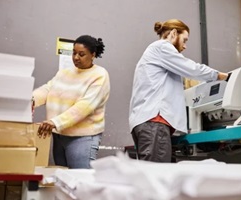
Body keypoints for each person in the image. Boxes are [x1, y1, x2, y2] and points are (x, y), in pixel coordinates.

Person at [129, 19, 230, 163]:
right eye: (184, 39)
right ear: (174, 33)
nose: (185, 46)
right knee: (158, 176)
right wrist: (221, 76)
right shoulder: (162, 47)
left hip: (147, 123)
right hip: (154, 122)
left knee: (152, 175)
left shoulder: (154, 53)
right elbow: (191, 68)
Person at [33, 35, 110, 169]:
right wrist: (31, 99)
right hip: (59, 135)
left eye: (81, 54)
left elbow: (85, 106)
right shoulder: (65, 72)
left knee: (80, 183)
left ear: (93, 55)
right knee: (63, 182)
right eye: (74, 53)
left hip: (82, 138)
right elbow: (49, 88)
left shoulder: (99, 75)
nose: (76, 57)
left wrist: (55, 122)